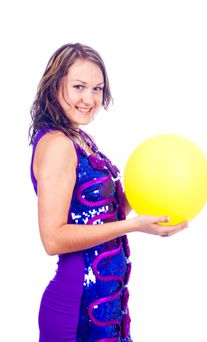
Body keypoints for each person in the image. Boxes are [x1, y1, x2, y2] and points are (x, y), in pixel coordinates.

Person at [29, 42, 188, 342]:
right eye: (78, 86)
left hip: (107, 309)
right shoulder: (57, 145)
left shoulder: (79, 138)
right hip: (76, 313)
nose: (89, 99)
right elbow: (53, 239)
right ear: (54, 86)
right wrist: (135, 226)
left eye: (97, 89)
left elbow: (97, 215)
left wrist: (152, 190)